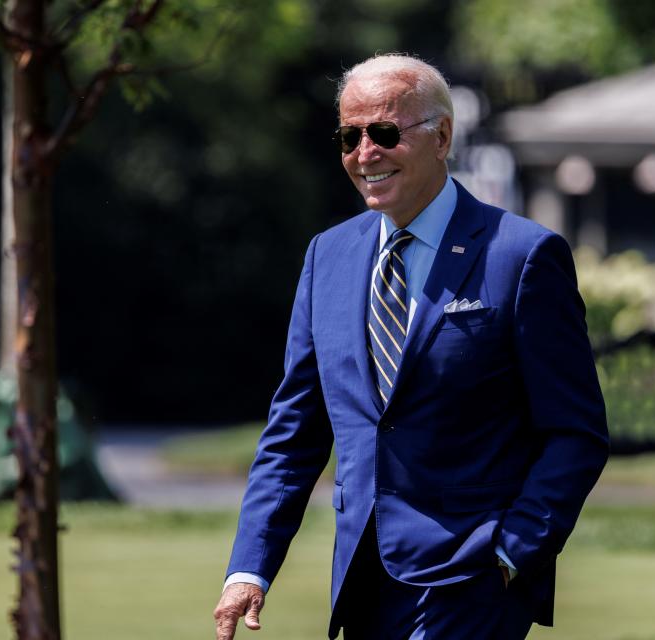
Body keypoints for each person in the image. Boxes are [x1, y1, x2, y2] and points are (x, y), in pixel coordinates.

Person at [213, 53, 608, 640]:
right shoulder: (328, 256)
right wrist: (250, 566)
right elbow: (294, 432)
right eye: (350, 136)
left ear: (442, 136)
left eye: (385, 133)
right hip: (364, 582)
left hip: (473, 580)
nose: (365, 153)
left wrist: (513, 551)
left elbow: (576, 432)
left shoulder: (521, 256)